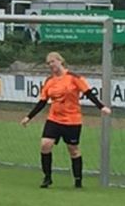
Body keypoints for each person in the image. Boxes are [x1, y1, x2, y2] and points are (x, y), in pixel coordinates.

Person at [19, 51, 111, 189]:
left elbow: (88, 93)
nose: (51, 65)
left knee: (73, 149)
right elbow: (42, 102)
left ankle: (78, 179)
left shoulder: (74, 78)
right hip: (54, 119)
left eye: (52, 62)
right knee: (45, 145)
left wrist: (101, 107)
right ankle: (47, 177)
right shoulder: (49, 81)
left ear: (60, 61)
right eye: (48, 63)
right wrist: (28, 117)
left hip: (72, 120)